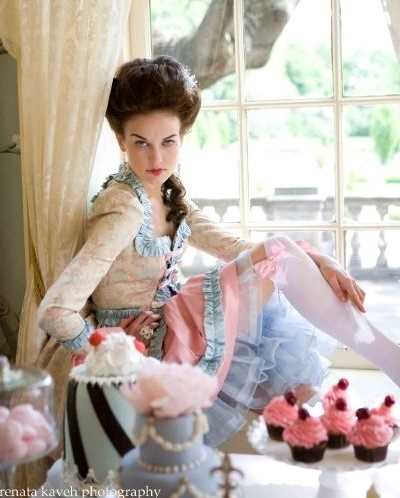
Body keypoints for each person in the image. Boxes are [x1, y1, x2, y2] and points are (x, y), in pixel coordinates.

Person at [38, 56, 400, 450]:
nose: (156, 159)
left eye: (168, 142)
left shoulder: (163, 192)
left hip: (172, 326)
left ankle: (349, 416)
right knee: (276, 263)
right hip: (146, 349)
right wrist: (110, 353)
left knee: (279, 280)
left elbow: (243, 250)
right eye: (141, 143)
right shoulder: (123, 209)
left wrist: (319, 260)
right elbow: (55, 311)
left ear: (183, 137)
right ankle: (389, 365)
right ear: (121, 141)